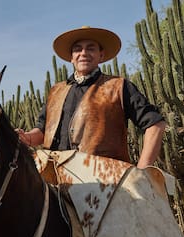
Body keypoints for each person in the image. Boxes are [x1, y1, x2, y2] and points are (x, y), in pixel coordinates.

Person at [16, 26, 166, 168]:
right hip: (54, 175)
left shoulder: (119, 86)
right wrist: (27, 138)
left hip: (104, 183)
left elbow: (155, 124)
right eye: (77, 49)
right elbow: (42, 131)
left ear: (101, 55)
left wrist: (141, 171)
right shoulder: (55, 91)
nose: (83, 53)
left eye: (91, 48)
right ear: (71, 57)